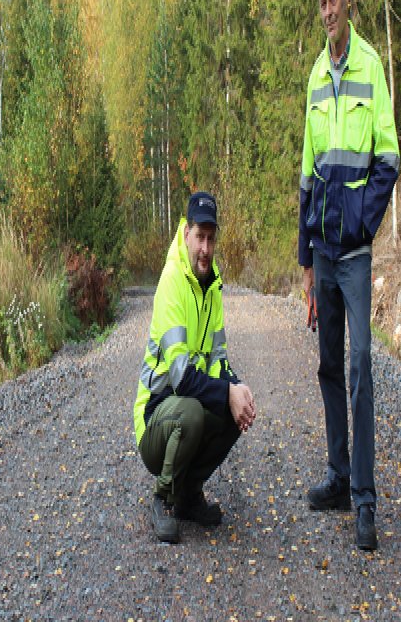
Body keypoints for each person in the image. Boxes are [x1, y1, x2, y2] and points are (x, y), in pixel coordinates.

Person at [297, 0, 400, 550]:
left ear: (348, 1)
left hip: (355, 253)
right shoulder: (314, 77)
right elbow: (307, 176)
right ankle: (338, 476)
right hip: (324, 253)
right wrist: (306, 263)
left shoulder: (370, 66)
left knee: (360, 365)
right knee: (329, 366)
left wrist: (363, 222)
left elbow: (388, 156)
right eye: (321, 2)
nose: (328, 10)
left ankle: (364, 496)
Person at [133, 191, 257, 543]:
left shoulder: (212, 286)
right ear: (186, 233)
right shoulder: (172, 281)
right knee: (192, 412)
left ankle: (189, 494)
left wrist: (238, 388)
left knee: (236, 409)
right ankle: (164, 498)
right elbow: (182, 378)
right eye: (199, 237)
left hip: (181, 408)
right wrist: (226, 392)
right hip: (156, 418)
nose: (205, 247)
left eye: (211, 239)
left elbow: (218, 361)